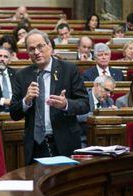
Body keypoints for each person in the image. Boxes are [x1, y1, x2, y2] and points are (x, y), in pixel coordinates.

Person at [9, 29, 89, 165]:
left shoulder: (69, 70)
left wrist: (66, 104)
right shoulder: (21, 76)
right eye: (31, 49)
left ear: (50, 46)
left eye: (40, 46)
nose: (36, 52)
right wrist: (26, 100)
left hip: (64, 142)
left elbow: (85, 105)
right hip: (35, 145)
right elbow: (14, 114)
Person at [77, 75, 115, 146]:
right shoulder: (83, 98)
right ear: (96, 85)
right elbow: (76, 117)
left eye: (111, 92)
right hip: (83, 140)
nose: (109, 94)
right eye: (106, 90)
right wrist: (98, 114)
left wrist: (113, 114)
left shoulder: (109, 101)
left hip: (102, 140)